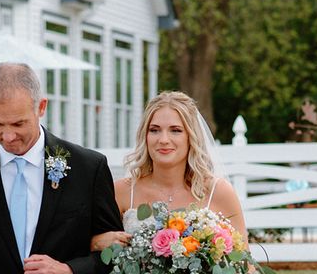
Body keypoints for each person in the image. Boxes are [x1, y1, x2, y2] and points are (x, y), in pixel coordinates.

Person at [0, 62, 122, 274]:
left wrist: (69, 270)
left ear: (41, 107)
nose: (7, 136)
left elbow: (116, 256)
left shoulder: (88, 169)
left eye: (17, 124)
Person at [90, 91, 247, 252]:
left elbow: (244, 265)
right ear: (145, 136)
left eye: (176, 130)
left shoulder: (218, 191)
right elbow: (86, 250)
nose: (163, 140)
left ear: (191, 136)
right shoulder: (121, 192)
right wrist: (95, 243)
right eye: (154, 130)